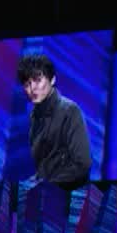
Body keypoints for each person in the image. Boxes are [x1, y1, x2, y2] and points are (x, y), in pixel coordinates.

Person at [20, 54, 91, 185]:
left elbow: (82, 164)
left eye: (37, 80)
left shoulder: (69, 111)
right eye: (27, 84)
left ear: (52, 79)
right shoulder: (34, 118)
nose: (32, 88)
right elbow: (46, 167)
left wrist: (47, 184)